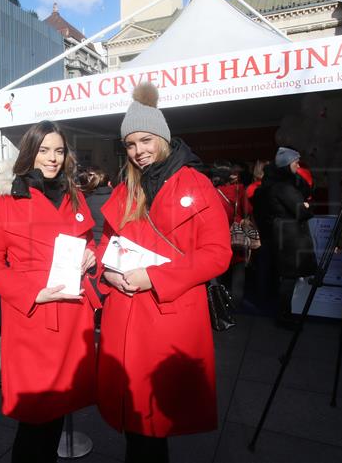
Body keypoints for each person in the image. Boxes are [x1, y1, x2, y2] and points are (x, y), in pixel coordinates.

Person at [96, 83, 231, 463]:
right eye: (130, 144)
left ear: (163, 138)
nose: (139, 151)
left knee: (152, 420)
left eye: (145, 140)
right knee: (137, 420)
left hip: (167, 318)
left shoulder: (196, 184)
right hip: (125, 315)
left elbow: (217, 255)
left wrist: (154, 278)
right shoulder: (126, 190)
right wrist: (106, 274)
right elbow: (106, 245)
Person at [0, 120, 99, 463]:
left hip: (73, 315)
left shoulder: (73, 195)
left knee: (57, 412)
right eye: (44, 150)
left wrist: (92, 257)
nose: (53, 158)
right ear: (29, 153)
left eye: (59, 151)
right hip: (33, 318)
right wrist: (34, 292)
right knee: (35, 419)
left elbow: (91, 244)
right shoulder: (5, 200)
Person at [258, 146, 317, 329]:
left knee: (287, 277)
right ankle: (284, 317)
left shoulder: (279, 183)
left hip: (285, 233)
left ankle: (285, 315)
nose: (298, 166)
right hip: (290, 235)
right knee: (289, 277)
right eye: (295, 162)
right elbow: (301, 210)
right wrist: (307, 208)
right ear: (286, 164)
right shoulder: (283, 187)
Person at [211, 160, 248, 309]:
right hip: (236, 234)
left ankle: (216, 301)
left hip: (217, 235)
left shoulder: (211, 192)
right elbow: (247, 211)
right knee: (238, 268)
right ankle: (236, 302)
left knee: (215, 268)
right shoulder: (240, 190)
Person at [76, 166, 113, 243]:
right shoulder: (117, 200)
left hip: (91, 243)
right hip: (111, 243)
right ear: (109, 183)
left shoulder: (86, 201)